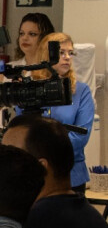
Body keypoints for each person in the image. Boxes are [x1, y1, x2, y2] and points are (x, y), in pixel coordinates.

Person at [21, 32, 95, 192]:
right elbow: (22, 129)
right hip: (35, 174)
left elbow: (81, 136)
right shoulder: (29, 89)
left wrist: (47, 152)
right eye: (61, 52)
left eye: (70, 53)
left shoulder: (81, 91)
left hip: (71, 175)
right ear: (46, 55)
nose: (67, 57)